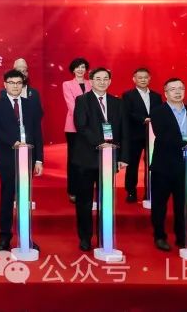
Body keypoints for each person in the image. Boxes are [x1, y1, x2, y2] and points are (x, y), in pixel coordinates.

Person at [72, 68, 127, 252]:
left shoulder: (117, 103)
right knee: (84, 201)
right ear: (91, 81)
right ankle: (85, 237)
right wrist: (101, 143)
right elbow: (81, 126)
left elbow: (124, 131)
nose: (102, 82)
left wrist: (123, 156)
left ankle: (105, 236)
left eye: (105, 79)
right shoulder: (82, 100)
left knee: (106, 200)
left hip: (109, 158)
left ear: (110, 81)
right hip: (86, 158)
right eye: (98, 79)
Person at [0, 69, 43, 251]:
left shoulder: (31, 105)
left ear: (23, 85)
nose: (15, 86)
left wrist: (39, 159)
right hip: (6, 156)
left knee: (24, 197)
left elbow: (37, 133)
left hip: (28, 156)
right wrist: (14, 142)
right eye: (12, 83)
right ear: (5, 85)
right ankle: (4, 237)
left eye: (19, 83)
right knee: (7, 196)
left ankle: (25, 237)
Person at [148, 78, 187, 251]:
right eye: (173, 89)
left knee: (183, 204)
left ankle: (182, 236)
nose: (177, 92)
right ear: (166, 93)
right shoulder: (158, 112)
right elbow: (164, 136)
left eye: (181, 88)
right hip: (164, 166)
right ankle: (159, 236)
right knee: (160, 204)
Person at [121, 68, 164, 203]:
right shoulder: (128, 95)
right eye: (140, 78)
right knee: (132, 164)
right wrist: (143, 119)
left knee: (152, 164)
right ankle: (131, 191)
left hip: (153, 136)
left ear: (149, 78)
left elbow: (160, 112)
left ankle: (150, 191)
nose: (143, 80)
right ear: (134, 79)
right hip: (135, 135)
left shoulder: (156, 96)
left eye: (145, 77)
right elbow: (127, 113)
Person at [62, 57, 92, 204]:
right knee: (73, 159)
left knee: (88, 159)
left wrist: (90, 122)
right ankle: (73, 190)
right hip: (73, 127)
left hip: (90, 127)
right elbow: (71, 105)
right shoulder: (67, 84)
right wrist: (82, 120)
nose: (80, 69)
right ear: (73, 70)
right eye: (78, 67)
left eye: (83, 67)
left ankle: (86, 189)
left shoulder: (91, 83)